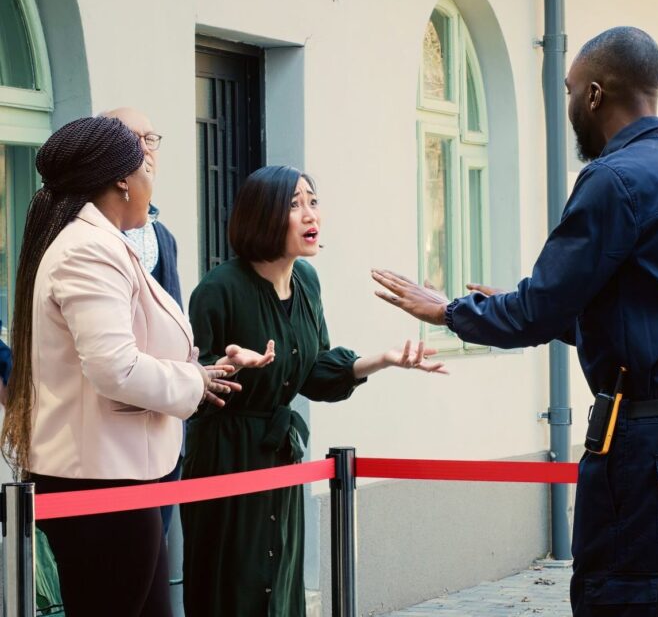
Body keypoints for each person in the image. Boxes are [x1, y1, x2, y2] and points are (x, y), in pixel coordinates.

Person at [372, 27, 658, 617]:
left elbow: (540, 309)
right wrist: (516, 307)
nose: (567, 105)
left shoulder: (612, 180)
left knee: (624, 599)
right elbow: (651, 321)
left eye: (569, 91)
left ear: (594, 96)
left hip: (645, 446)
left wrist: (448, 311)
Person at [0, 116, 243, 617]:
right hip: (101, 481)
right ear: (122, 180)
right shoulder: (88, 250)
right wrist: (193, 381)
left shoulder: (100, 243)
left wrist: (202, 368)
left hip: (119, 473)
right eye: (146, 166)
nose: (152, 182)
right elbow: (115, 368)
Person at [181, 165, 447, 617]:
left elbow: (314, 371)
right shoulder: (219, 289)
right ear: (263, 215)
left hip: (281, 456)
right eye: (294, 204)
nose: (310, 215)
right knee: (233, 584)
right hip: (227, 459)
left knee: (280, 579)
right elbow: (191, 385)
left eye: (313, 201)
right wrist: (228, 367)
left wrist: (382, 360)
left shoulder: (307, 283)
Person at [104, 106, 185, 535]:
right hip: (112, 439)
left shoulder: (163, 237)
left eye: (150, 139)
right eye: (128, 138)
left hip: (164, 429)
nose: (143, 150)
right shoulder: (89, 239)